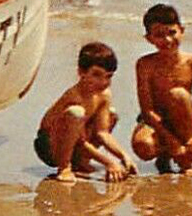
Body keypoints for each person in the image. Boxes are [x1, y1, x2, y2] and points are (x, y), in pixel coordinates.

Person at [130, 4, 192, 175]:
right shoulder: (145, 65)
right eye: (159, 35)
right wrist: (172, 143)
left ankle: (185, 163)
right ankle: (166, 156)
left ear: (181, 30)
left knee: (179, 95)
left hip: (183, 118)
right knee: (143, 146)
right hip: (154, 121)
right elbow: (147, 110)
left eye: (172, 32)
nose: (167, 40)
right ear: (149, 38)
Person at [34, 41, 137, 183]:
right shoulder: (74, 96)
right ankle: (64, 167)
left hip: (75, 143)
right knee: (76, 113)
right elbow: (80, 141)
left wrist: (123, 156)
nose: (103, 81)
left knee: (112, 115)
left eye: (108, 76)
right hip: (50, 146)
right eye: (96, 75)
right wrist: (108, 162)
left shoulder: (104, 95)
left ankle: (80, 161)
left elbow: (102, 133)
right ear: (81, 72)